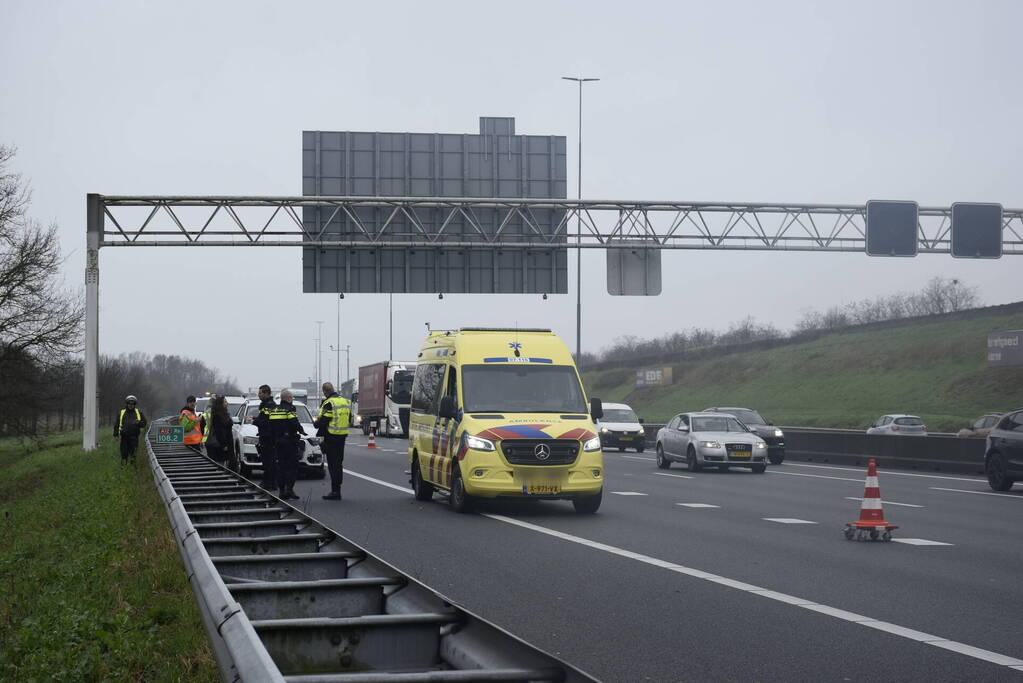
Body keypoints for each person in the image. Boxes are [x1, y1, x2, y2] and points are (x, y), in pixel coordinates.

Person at [315, 381, 351, 500]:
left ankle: (335, 492)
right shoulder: (345, 401)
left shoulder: (329, 403)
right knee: (338, 464)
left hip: (331, 437)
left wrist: (316, 423)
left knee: (332, 465)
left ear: (325, 391)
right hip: (342, 436)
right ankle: (337, 490)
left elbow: (324, 421)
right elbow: (349, 418)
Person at [268, 389, 305, 500]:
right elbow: (294, 423)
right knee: (292, 467)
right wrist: (301, 430)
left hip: (278, 442)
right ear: (288, 398)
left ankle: (282, 491)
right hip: (290, 442)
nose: (292, 400)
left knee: (281, 467)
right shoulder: (290, 409)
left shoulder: (274, 410)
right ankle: (290, 490)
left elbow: (271, 426)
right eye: (292, 398)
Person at [251, 384, 277, 490]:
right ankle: (268, 481)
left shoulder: (269, 405)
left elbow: (266, 421)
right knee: (267, 461)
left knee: (269, 461)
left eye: (260, 393)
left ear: (266, 393)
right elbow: (264, 418)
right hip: (266, 436)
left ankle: (270, 483)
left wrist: (254, 421)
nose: (258, 395)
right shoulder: (266, 405)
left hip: (268, 437)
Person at [202, 395, 236, 466]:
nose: (227, 403)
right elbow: (219, 431)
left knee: (215, 463)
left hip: (210, 441)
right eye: (225, 402)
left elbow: (203, 426)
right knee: (219, 464)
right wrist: (224, 444)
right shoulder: (218, 414)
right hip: (216, 443)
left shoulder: (213, 412)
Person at [113, 395, 147, 465]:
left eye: (132, 404)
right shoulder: (122, 412)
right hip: (124, 438)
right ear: (127, 404)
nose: (131, 405)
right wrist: (115, 435)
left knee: (133, 455)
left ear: (135, 404)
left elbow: (144, 423)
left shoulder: (139, 412)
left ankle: (132, 469)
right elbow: (116, 424)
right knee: (124, 455)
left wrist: (139, 422)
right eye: (129, 403)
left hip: (134, 438)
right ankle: (123, 469)